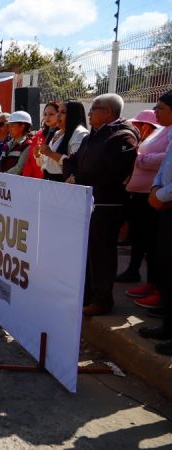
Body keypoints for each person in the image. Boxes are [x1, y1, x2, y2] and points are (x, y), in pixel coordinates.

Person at [63, 93, 139, 317]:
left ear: (108, 112)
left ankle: (102, 300)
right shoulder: (92, 136)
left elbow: (111, 172)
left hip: (107, 205)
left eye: (94, 108)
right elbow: (71, 160)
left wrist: (79, 178)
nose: (89, 112)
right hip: (87, 202)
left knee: (102, 253)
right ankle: (86, 296)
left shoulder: (123, 137)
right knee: (87, 252)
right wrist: (73, 175)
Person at [119, 108, 170, 308]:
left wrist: (139, 159)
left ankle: (158, 288)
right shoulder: (160, 133)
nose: (136, 128)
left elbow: (163, 160)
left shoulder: (164, 134)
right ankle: (145, 279)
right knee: (140, 238)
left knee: (154, 244)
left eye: (139, 125)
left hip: (155, 198)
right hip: (142, 194)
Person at [137, 90, 172, 355]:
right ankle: (167, 324)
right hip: (162, 202)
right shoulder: (168, 134)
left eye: (161, 107)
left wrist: (160, 194)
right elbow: (164, 170)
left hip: (166, 201)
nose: (156, 112)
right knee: (162, 260)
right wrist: (157, 189)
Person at [37, 101, 88, 181]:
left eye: (63, 112)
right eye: (58, 111)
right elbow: (47, 163)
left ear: (73, 115)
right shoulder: (57, 132)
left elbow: (75, 163)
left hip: (64, 182)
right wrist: (38, 155)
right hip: (48, 180)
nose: (58, 115)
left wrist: (51, 153)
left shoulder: (80, 133)